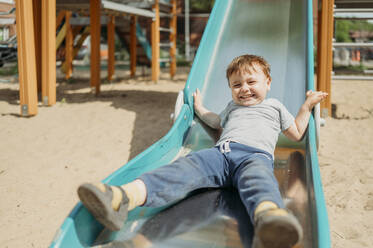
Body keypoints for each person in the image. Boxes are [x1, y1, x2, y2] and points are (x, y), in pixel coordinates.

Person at [78, 54, 327, 248]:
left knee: (260, 181)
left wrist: (306, 106)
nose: (244, 89)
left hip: (255, 157)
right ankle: (123, 197)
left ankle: (269, 219)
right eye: (236, 84)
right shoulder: (232, 107)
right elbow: (215, 121)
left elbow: (295, 132)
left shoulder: (275, 106)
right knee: (182, 169)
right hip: (220, 154)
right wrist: (199, 107)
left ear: (268, 83)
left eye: (252, 82)